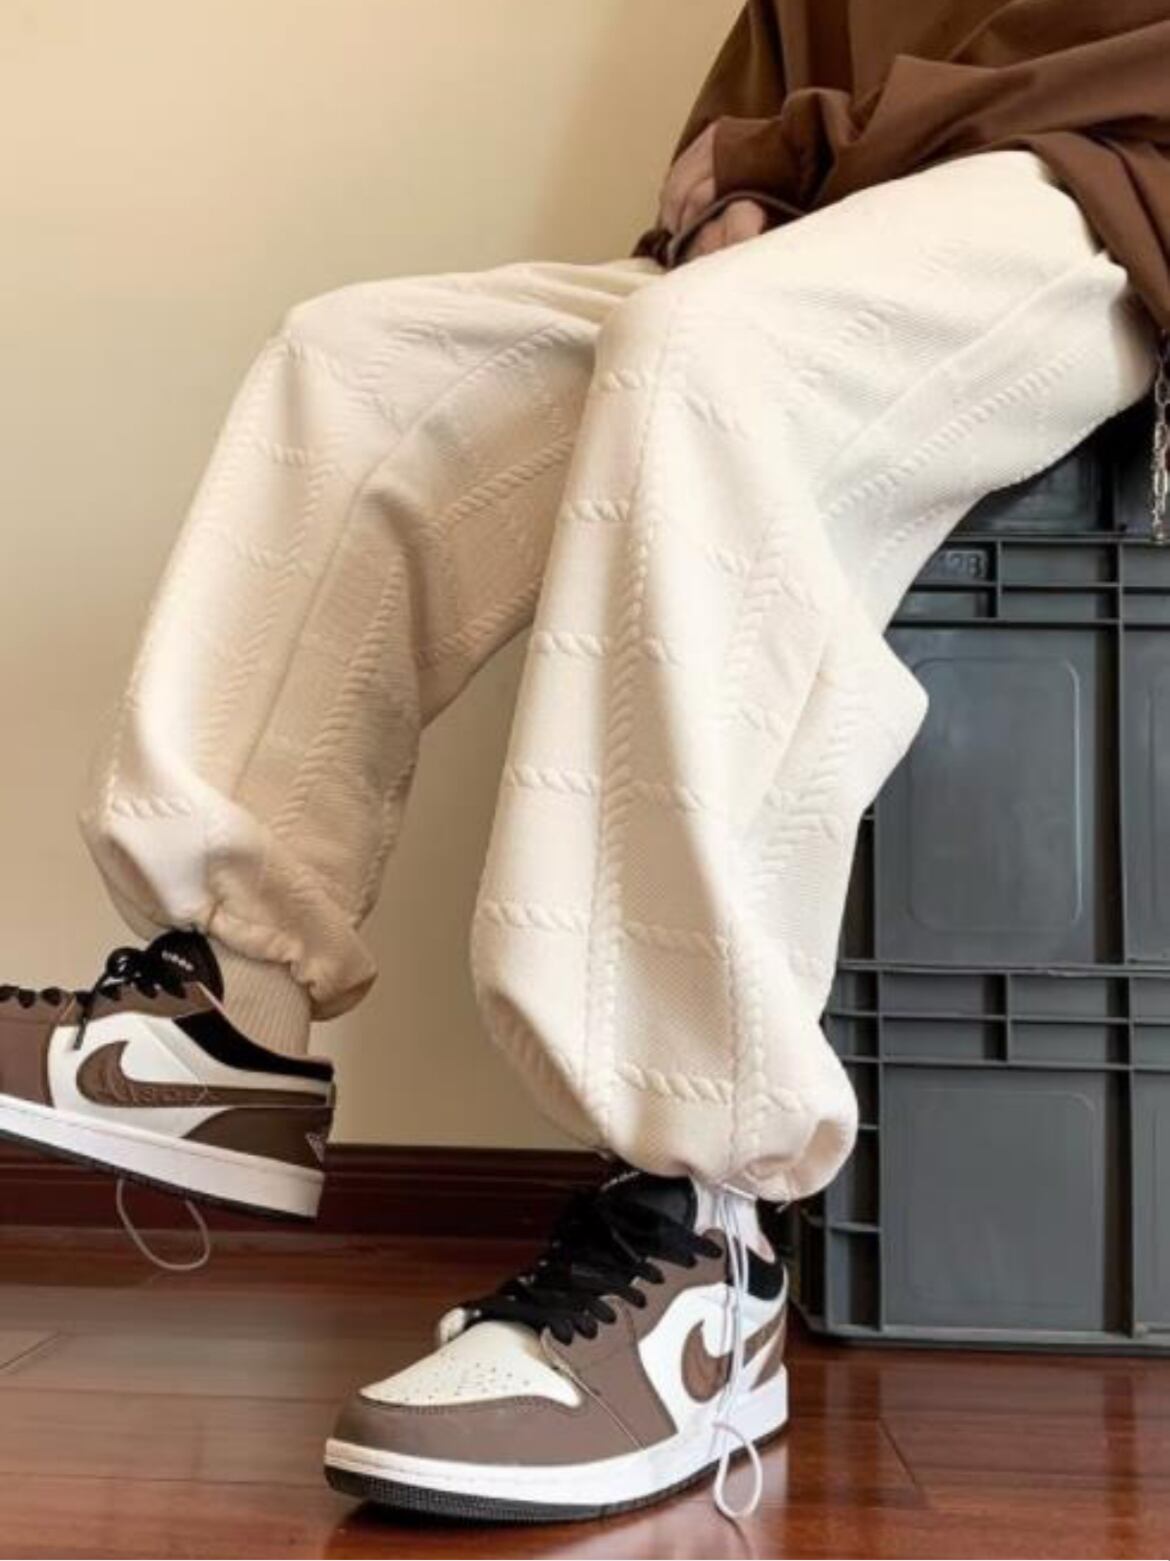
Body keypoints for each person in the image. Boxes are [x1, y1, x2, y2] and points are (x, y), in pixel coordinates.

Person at [2, 0, 1168, 1525]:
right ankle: (230, 1008)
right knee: (358, 359)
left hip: (1103, 197)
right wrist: (737, 196)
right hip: (848, 215)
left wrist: (796, 154)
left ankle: (700, 1245)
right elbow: (745, 126)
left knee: (707, 358)